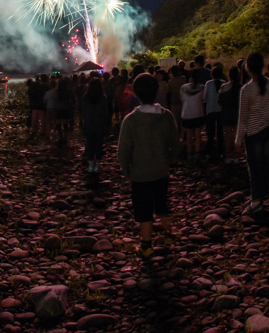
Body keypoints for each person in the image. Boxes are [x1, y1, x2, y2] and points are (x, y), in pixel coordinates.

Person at [118, 72, 181, 258]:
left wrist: (127, 173)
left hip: (140, 174)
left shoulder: (130, 120)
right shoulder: (166, 116)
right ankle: (168, 236)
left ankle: (146, 245)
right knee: (162, 204)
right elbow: (175, 145)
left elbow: (123, 151)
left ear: (135, 94)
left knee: (144, 210)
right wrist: (169, 162)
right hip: (161, 172)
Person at [236, 53, 269, 213]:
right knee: (264, 163)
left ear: (247, 68)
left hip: (253, 132)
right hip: (268, 129)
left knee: (254, 167)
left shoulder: (247, 90)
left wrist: (238, 140)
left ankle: (256, 201)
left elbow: (243, 117)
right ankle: (262, 195)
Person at [82, 77, 111, 174]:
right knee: (99, 144)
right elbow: (105, 112)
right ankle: (98, 164)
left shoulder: (86, 97)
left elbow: (83, 111)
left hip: (89, 123)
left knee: (90, 144)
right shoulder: (103, 97)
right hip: (100, 123)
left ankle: (91, 164)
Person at [179, 77, 206, 161]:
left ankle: (189, 153)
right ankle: (197, 152)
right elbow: (204, 99)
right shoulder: (202, 87)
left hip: (187, 113)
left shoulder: (183, 88)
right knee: (198, 135)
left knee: (189, 135)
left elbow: (182, 99)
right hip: (198, 112)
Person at [219, 66, 241, 163]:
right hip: (237, 114)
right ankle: (236, 156)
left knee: (227, 136)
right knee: (237, 136)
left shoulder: (224, 87)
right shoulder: (241, 87)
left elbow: (219, 101)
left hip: (226, 113)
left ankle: (228, 156)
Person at [204, 66, 224, 159]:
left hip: (211, 109)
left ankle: (209, 152)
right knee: (220, 132)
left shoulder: (208, 83)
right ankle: (221, 152)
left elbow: (205, 97)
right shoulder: (224, 83)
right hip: (220, 110)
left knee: (210, 132)